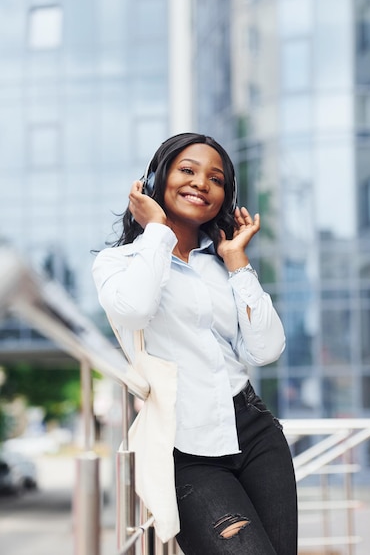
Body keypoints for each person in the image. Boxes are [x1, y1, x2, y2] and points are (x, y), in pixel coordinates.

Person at [92, 132, 298, 555]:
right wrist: (156, 231)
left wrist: (238, 261)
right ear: (155, 179)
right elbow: (134, 310)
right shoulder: (120, 262)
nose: (202, 183)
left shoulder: (222, 267)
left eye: (216, 178)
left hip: (255, 431)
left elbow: (266, 349)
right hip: (184, 446)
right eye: (188, 170)